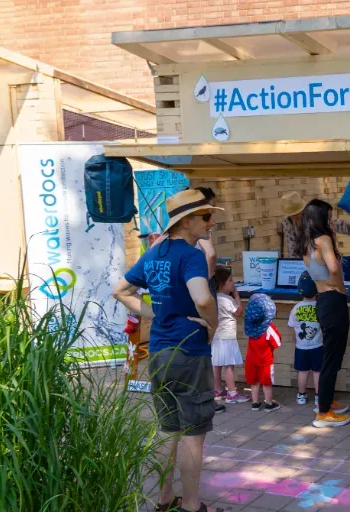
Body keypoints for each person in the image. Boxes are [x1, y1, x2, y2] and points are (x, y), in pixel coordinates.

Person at [112, 189, 224, 512]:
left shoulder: (154, 254)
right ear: (187, 221)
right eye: (205, 216)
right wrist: (213, 325)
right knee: (193, 433)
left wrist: (154, 314)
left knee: (168, 430)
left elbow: (121, 290)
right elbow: (203, 299)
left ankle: (164, 501)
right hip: (189, 351)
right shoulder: (191, 256)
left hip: (160, 352)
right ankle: (191, 505)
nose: (211, 221)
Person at [294, 199, 350, 427]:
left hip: (323, 301)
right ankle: (324, 412)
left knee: (332, 353)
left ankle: (326, 400)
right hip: (333, 299)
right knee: (332, 357)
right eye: (327, 217)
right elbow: (335, 267)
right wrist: (338, 286)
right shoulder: (323, 240)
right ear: (320, 218)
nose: (330, 220)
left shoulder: (307, 242)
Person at [280, 191, 350, 258]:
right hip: (306, 263)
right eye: (291, 214)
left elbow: (339, 224)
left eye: (297, 214)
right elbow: (293, 251)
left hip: (323, 258)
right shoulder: (287, 223)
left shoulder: (314, 215)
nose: (294, 217)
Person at [210, 266, 249, 404]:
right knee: (229, 365)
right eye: (231, 280)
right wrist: (237, 296)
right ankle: (232, 393)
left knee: (217, 364)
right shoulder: (227, 300)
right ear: (222, 284)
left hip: (216, 336)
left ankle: (217, 389)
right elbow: (239, 312)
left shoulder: (214, 298)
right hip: (227, 337)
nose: (233, 283)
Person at [289, 272, 323, 411]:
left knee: (302, 372)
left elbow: (292, 328)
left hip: (301, 346)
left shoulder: (296, 308)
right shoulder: (320, 307)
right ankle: (318, 397)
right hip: (318, 345)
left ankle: (301, 395)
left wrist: (297, 340)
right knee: (317, 372)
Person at [244, 293, 281, 412]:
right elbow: (277, 343)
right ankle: (269, 404)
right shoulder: (269, 327)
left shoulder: (250, 325)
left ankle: (255, 403)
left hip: (251, 360)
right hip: (265, 360)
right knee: (266, 383)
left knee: (254, 382)